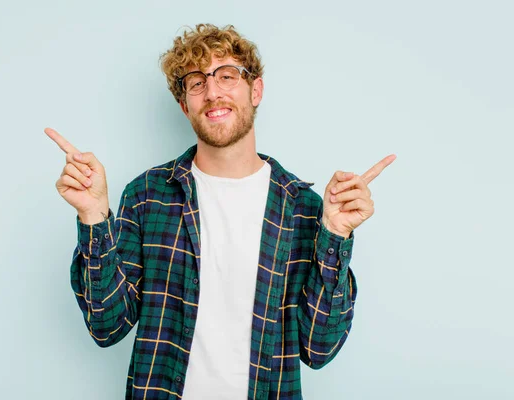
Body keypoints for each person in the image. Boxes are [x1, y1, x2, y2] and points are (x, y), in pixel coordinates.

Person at [46, 24, 395, 400]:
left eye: (226, 76)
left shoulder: (305, 210)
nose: (212, 92)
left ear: (255, 90)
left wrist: (335, 236)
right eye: (196, 83)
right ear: (185, 105)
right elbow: (106, 326)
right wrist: (95, 218)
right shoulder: (147, 196)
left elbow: (318, 350)